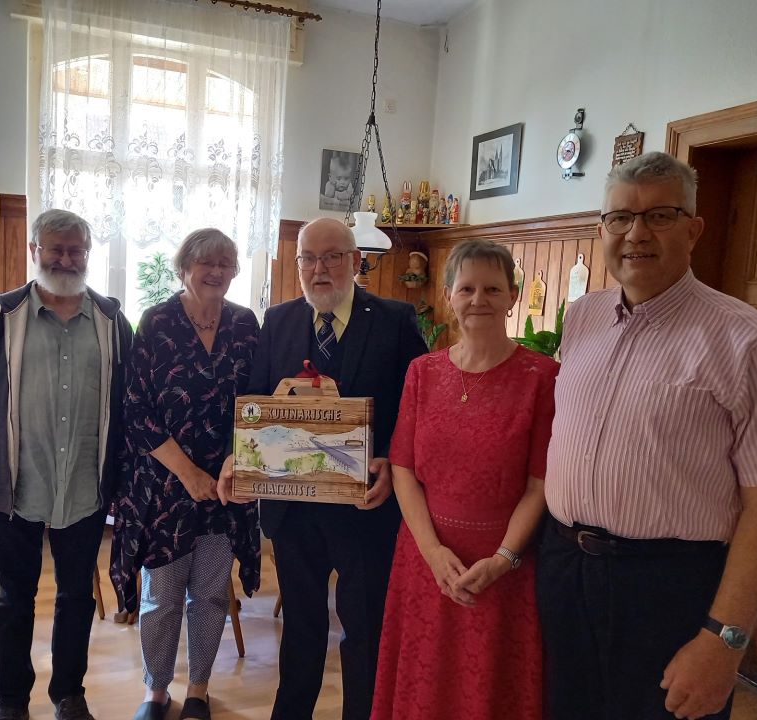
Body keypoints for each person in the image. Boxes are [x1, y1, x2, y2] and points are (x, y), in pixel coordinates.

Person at [538, 151, 757, 720]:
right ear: (602, 228)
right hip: (564, 571)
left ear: (694, 229)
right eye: (620, 218)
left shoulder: (749, 342)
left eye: (660, 216)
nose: (636, 234)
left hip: (669, 590)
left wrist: (724, 642)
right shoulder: (582, 318)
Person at [219, 217, 428, 720]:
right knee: (302, 627)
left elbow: (420, 407)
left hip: (365, 508)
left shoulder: (396, 319)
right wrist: (241, 457)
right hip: (294, 510)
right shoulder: (280, 319)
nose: (319, 269)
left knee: (364, 629)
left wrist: (393, 460)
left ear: (356, 262)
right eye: (308, 259)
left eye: (332, 257)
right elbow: (258, 403)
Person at [0, 209, 133, 720]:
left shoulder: (113, 322)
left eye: (76, 250)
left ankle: (69, 694)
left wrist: (124, 486)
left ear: (88, 254)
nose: (66, 259)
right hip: (13, 490)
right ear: (35, 251)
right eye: (56, 249)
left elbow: (130, 408)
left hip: (86, 490)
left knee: (76, 598)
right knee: (13, 601)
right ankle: (11, 699)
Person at [371, 240, 556, 720]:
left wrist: (504, 559)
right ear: (449, 294)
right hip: (425, 558)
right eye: (467, 288)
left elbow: (540, 483)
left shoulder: (544, 376)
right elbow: (404, 468)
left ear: (513, 295)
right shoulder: (422, 372)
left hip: (503, 567)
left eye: (493, 288)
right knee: (424, 683)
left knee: (491, 692)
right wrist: (432, 553)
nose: (479, 299)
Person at [112, 229, 260, 720]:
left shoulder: (245, 324)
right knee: (162, 598)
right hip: (163, 486)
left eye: (225, 263)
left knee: (213, 593)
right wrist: (190, 474)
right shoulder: (156, 322)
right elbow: (137, 408)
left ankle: (198, 688)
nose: (215, 272)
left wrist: (231, 466)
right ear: (183, 267)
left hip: (228, 485)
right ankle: (156, 690)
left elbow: (256, 406)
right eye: (205, 262)